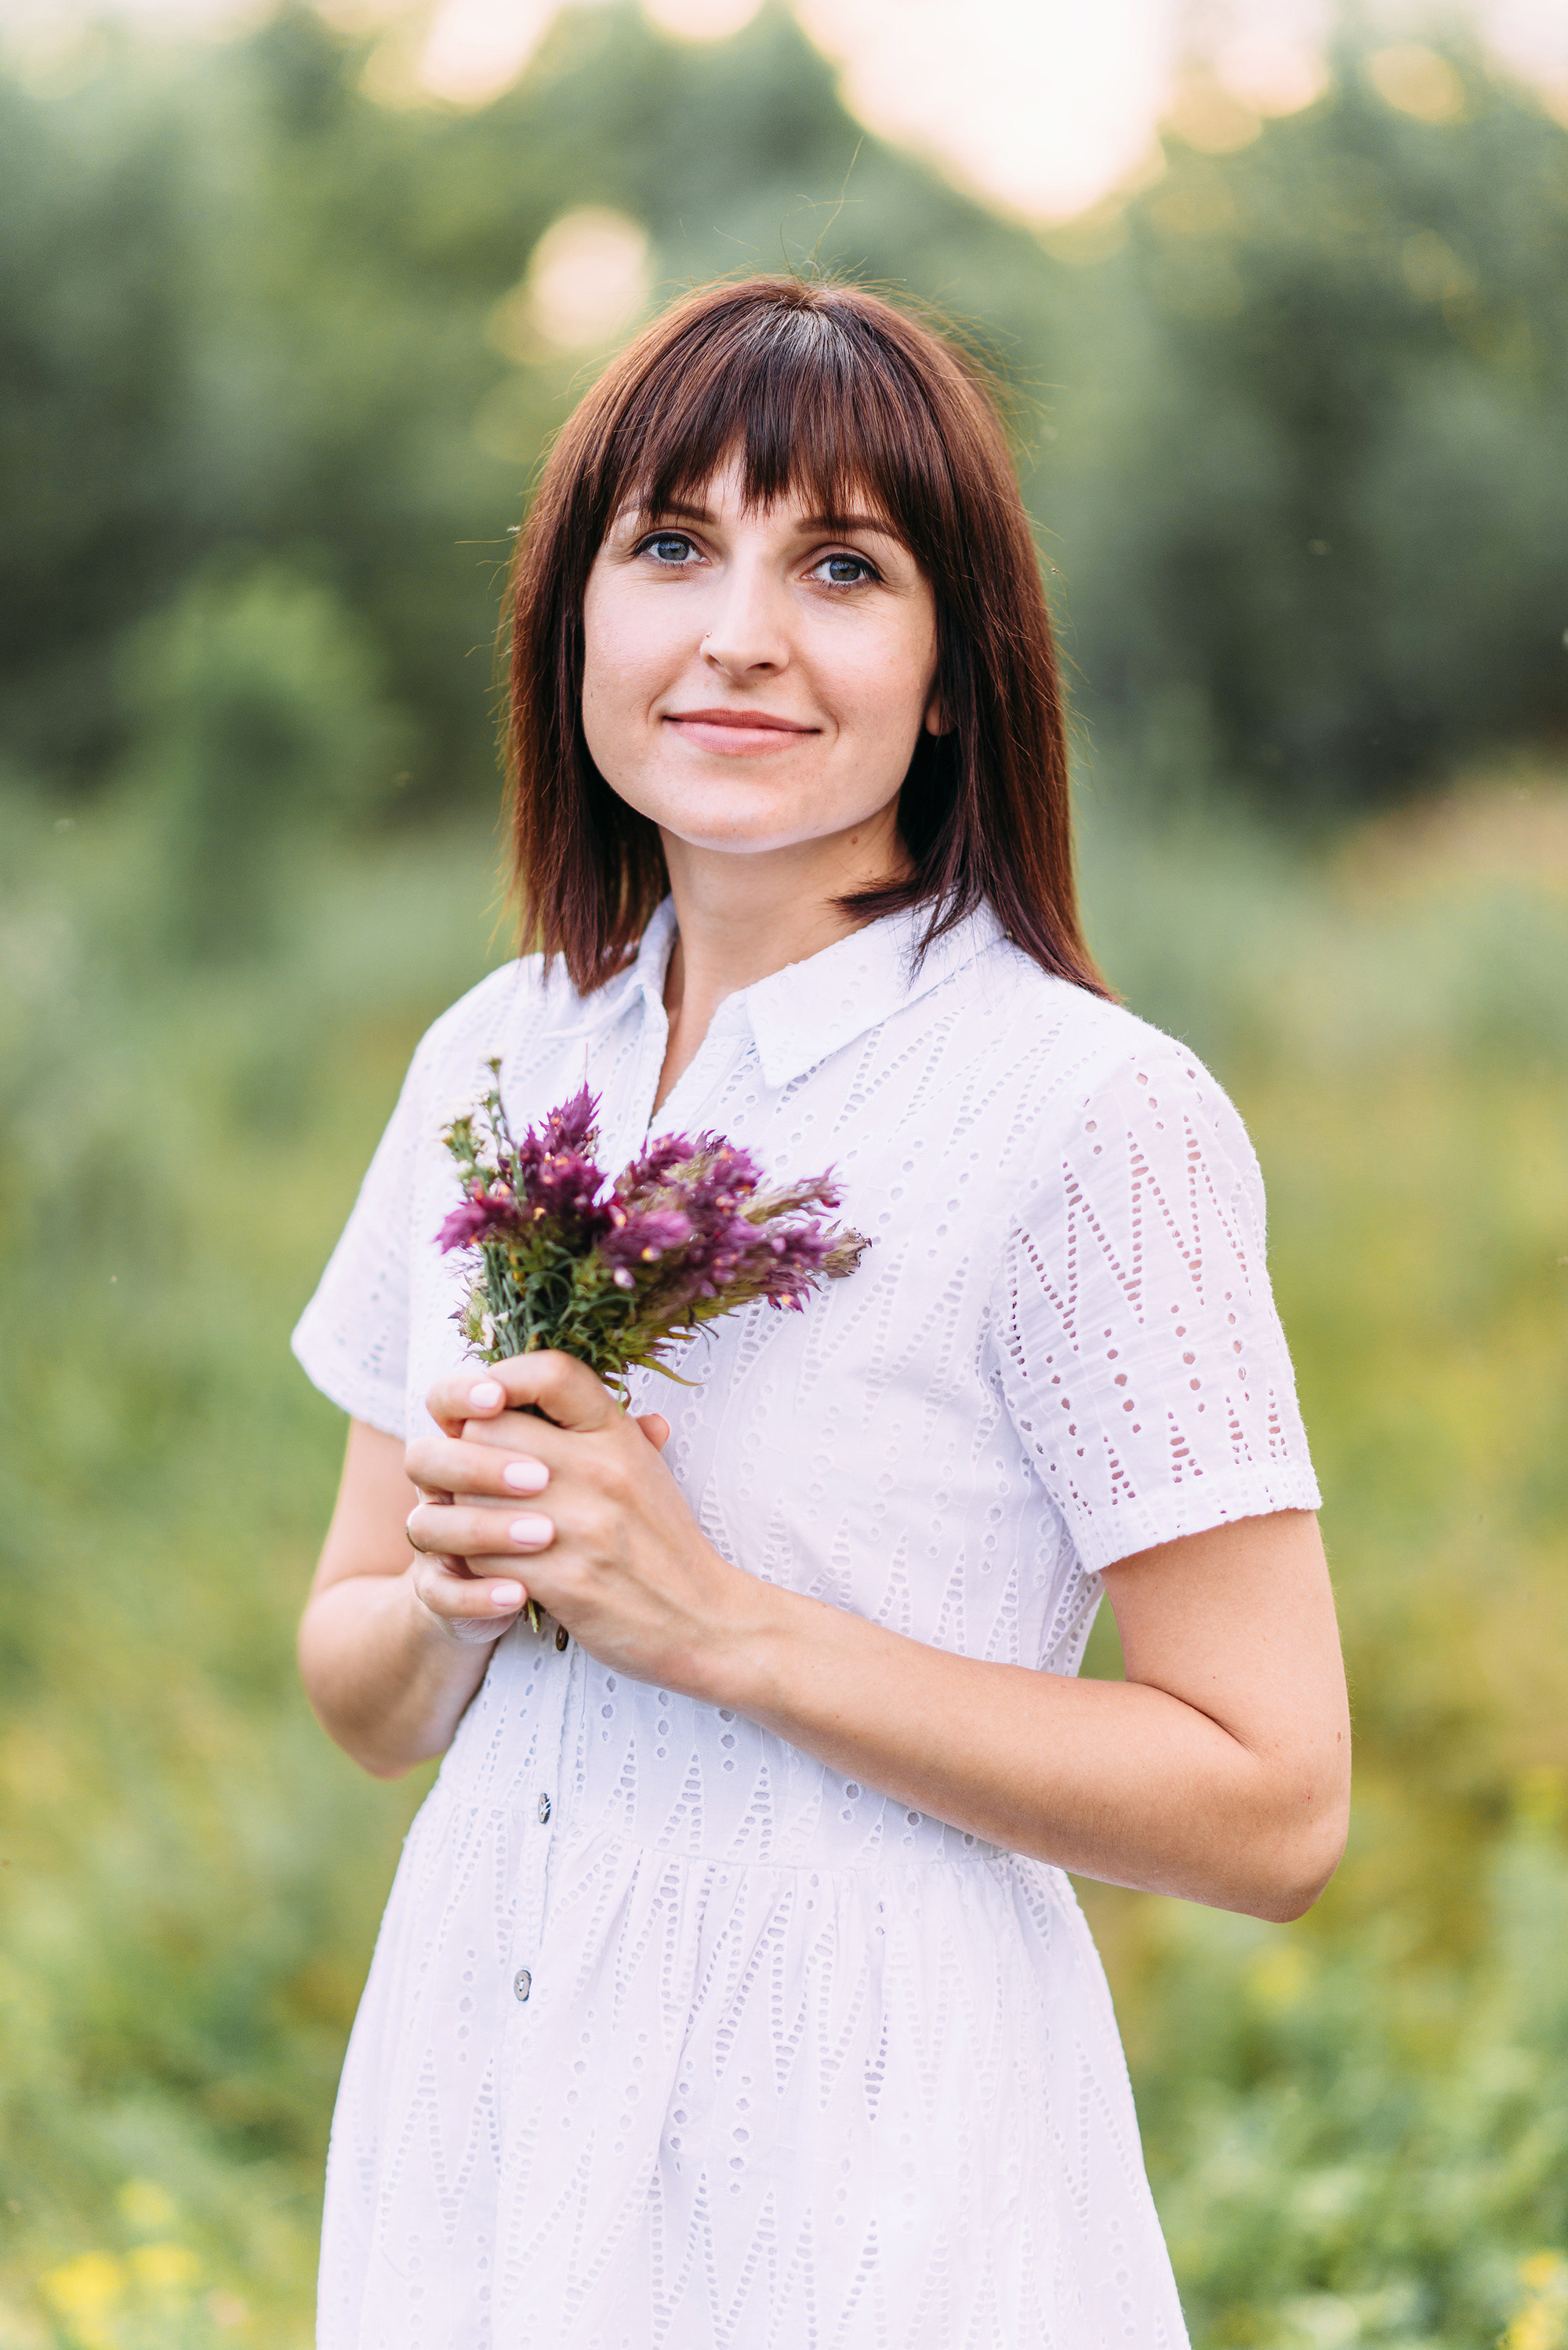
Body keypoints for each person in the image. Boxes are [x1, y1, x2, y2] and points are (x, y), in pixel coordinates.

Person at [292, 276, 1349, 2350]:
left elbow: (1275, 1800)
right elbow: (359, 1684)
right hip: (479, 2117)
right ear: (573, 619)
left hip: (860, 2175)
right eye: (672, 544)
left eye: (843, 565)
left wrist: (724, 1630)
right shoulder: (498, 1059)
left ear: (957, 675)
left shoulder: (1080, 1116)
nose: (741, 632)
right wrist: (462, 1590)